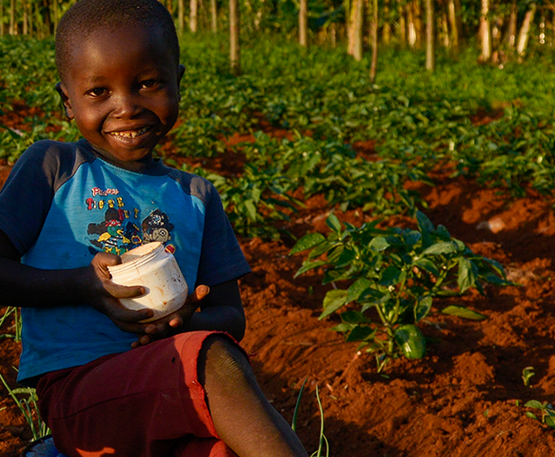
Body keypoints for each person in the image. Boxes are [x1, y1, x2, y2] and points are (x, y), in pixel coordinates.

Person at [0, 1, 308, 456]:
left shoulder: (197, 197)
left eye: (147, 84)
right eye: (98, 92)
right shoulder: (55, 167)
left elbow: (231, 316)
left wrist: (184, 322)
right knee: (212, 359)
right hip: (79, 392)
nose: (126, 107)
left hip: (166, 388)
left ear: (177, 82)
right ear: (67, 101)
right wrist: (85, 286)